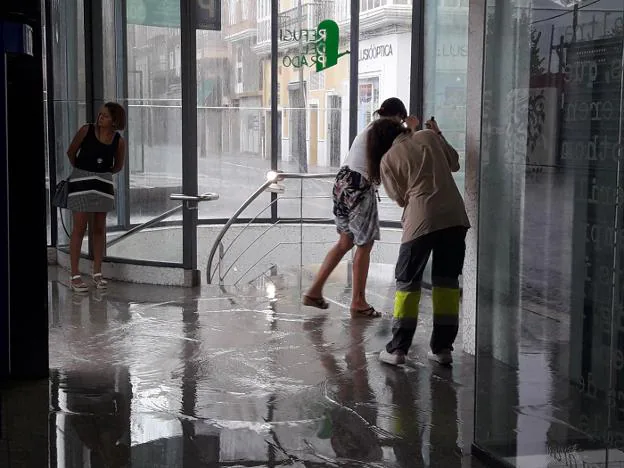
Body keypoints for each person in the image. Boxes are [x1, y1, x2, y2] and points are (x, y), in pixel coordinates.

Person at [369, 117, 470, 366]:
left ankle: (398, 349)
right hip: (455, 217)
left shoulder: (387, 160)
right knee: (447, 285)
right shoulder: (428, 136)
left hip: (421, 221)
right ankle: (442, 349)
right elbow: (455, 163)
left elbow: (401, 199)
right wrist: (439, 133)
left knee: (407, 283)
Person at [302, 98, 409, 318]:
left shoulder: (370, 128)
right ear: (399, 116)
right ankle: (358, 301)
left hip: (342, 181)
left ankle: (314, 291)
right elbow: (409, 144)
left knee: (345, 241)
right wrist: (414, 127)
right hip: (360, 185)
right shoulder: (388, 129)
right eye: (402, 119)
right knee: (364, 244)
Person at [65, 102, 126, 292]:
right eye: (100, 114)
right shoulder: (86, 130)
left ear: (115, 121)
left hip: (103, 184)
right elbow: (71, 152)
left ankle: (97, 272)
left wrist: (101, 173)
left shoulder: (119, 141)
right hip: (81, 182)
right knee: (80, 227)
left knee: (99, 228)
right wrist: (83, 170)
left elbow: (118, 166)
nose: (100, 118)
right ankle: (75, 275)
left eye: (105, 116)